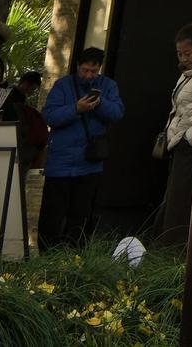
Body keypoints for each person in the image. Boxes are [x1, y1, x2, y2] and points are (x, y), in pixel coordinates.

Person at [37, 46, 124, 250]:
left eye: (93, 71)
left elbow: (118, 113)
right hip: (61, 163)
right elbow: (49, 116)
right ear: (77, 66)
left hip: (90, 163)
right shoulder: (63, 86)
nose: (88, 75)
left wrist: (99, 103)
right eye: (85, 70)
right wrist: (76, 108)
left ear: (99, 69)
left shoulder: (108, 86)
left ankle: (75, 256)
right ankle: (47, 255)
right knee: (53, 215)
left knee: (81, 216)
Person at [156, 19, 192, 249]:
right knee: (172, 200)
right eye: (179, 54)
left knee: (180, 202)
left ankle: (173, 252)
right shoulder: (188, 73)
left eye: (188, 53)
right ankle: (164, 248)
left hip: (190, 145)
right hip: (178, 142)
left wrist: (189, 138)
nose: (184, 59)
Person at [0, 70, 48, 175]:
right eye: (33, 89)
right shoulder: (10, 96)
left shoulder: (16, 96)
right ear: (26, 84)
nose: (32, 92)